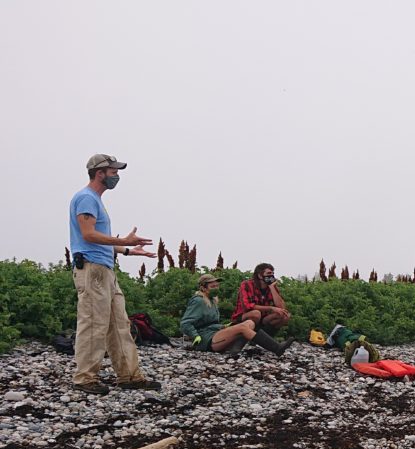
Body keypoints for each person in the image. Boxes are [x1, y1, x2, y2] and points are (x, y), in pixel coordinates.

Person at [68, 154, 161, 395]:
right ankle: (84, 379)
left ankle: (129, 376)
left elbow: (98, 240)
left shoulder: (95, 200)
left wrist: (129, 250)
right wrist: (123, 240)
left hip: (105, 270)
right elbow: (88, 235)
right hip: (92, 269)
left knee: (120, 324)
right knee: (93, 323)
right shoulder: (86, 199)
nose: (116, 175)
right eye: (113, 171)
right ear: (100, 173)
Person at [181, 274, 294, 356]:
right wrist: (195, 336)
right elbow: (185, 323)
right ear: (203, 288)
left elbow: (210, 323)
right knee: (242, 328)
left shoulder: (212, 300)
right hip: (205, 340)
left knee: (249, 322)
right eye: (212, 287)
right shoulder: (198, 301)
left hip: (214, 333)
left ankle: (235, 349)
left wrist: (223, 326)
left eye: (217, 286)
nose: (216, 288)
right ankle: (277, 348)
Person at [232, 263, 291, 334]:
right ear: (260, 275)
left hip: (263, 317)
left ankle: (265, 338)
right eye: (269, 273)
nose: (271, 275)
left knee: (284, 316)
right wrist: (271, 308)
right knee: (256, 314)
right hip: (244, 316)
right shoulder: (247, 284)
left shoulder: (271, 286)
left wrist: (272, 287)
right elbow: (247, 306)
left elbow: (281, 307)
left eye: (273, 273)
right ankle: (249, 336)